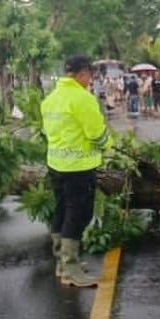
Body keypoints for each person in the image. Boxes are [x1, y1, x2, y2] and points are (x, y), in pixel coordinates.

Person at [42, 55, 114, 288]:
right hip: (78, 167)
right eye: (89, 75)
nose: (90, 80)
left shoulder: (51, 98)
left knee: (62, 210)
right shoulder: (82, 98)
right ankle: (71, 269)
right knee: (78, 214)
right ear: (82, 74)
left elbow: (48, 132)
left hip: (56, 164)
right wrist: (109, 144)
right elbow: (96, 133)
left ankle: (62, 263)